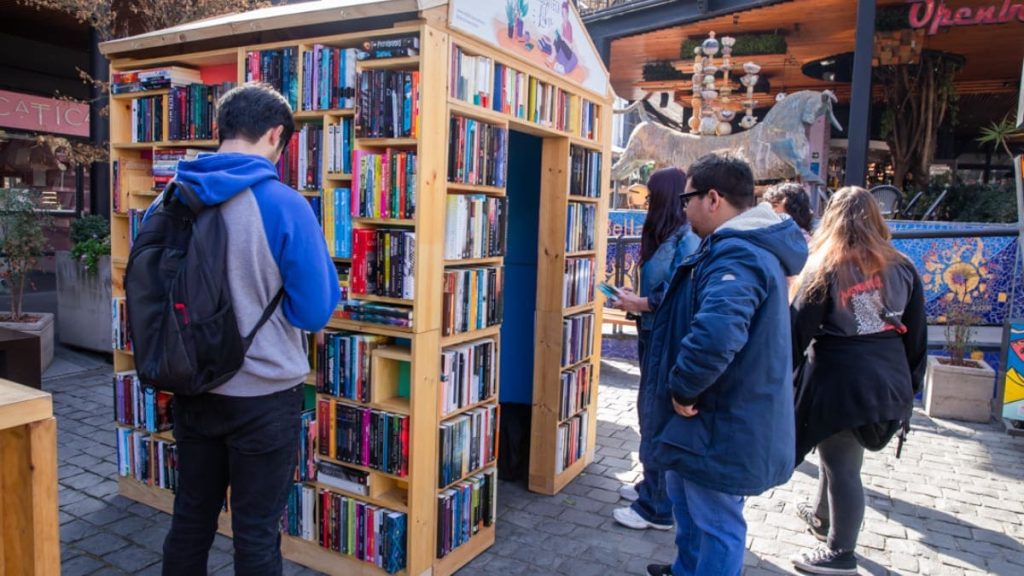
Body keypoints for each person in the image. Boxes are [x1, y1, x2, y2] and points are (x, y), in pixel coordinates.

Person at [158, 84, 340, 575]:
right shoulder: (284, 204)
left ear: (222, 129)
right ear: (275, 135)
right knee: (256, 533)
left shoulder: (173, 196)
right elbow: (313, 312)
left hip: (193, 384)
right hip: (263, 395)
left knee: (191, 516)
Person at [616, 154, 807, 576]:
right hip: (711, 419)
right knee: (688, 501)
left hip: (720, 417)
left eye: (688, 199)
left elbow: (717, 334)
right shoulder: (732, 248)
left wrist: (683, 388)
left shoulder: (737, 254)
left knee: (716, 519)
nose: (683, 209)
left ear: (714, 198)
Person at [789, 186, 927, 575]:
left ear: (831, 218)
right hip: (888, 377)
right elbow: (917, 335)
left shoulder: (825, 266)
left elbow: (796, 331)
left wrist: (780, 380)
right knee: (838, 458)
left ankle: (840, 554)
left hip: (841, 381)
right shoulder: (902, 266)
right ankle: (822, 518)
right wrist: (909, 387)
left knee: (842, 466)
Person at [612, 168, 700, 531]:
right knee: (648, 410)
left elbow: (680, 289)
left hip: (666, 335)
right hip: (651, 331)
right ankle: (652, 486)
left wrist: (642, 302)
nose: (646, 204)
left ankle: (658, 505)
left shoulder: (687, 238)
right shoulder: (669, 234)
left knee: (656, 413)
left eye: (651, 197)